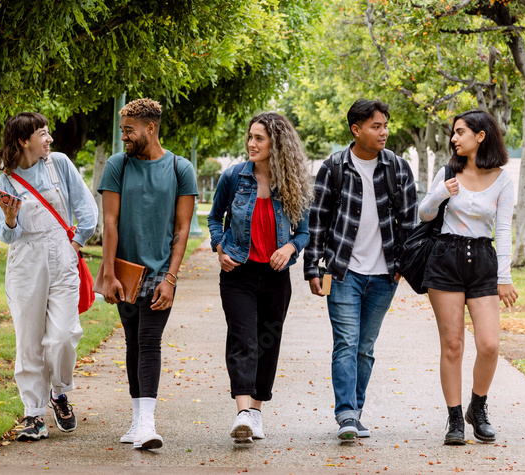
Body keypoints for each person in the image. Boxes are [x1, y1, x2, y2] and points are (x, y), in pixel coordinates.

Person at [304, 99, 418, 441]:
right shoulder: (334, 167)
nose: (383, 132)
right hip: (343, 272)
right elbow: (318, 221)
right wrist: (313, 266)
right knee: (346, 342)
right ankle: (347, 415)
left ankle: (356, 410)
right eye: (376, 126)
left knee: (365, 347)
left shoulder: (397, 167)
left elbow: (410, 224)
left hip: (385, 275)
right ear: (356, 130)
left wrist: (403, 267)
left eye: (385, 125)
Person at [97, 98, 198, 450]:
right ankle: (137, 420)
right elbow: (109, 222)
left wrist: (171, 278)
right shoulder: (117, 166)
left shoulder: (180, 168)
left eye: (129, 130)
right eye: (122, 130)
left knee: (149, 342)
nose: (124, 136)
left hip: (159, 273)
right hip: (125, 271)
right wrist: (108, 273)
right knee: (132, 343)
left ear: (150, 128)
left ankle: (147, 423)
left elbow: (183, 229)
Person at [0, 112, 98, 441]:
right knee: (29, 340)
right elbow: (5, 235)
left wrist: (76, 243)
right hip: (25, 261)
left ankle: (59, 392)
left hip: (63, 254)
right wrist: (10, 219)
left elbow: (87, 209)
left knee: (64, 335)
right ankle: (33, 414)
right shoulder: (4, 181)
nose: (49, 138)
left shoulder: (60, 164)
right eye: (42, 133)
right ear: (24, 141)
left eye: (48, 132)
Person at [207, 112, 313, 443]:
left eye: (259, 139)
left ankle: (255, 413)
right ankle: (242, 413)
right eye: (250, 137)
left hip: (275, 274)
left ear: (276, 144)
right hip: (238, 271)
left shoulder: (293, 182)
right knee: (243, 339)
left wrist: (291, 248)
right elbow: (214, 219)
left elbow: (305, 232)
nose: (251, 144)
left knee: (267, 343)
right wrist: (219, 246)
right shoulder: (233, 177)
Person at [418, 109, 517, 445]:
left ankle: (478, 406)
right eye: (453, 133)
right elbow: (424, 212)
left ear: (481, 136)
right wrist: (442, 192)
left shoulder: (503, 179)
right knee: (453, 345)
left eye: (460, 132)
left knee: (489, 344)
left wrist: (504, 276)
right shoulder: (449, 171)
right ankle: (454, 419)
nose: (454, 138)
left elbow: (503, 229)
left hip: (483, 261)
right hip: (446, 258)